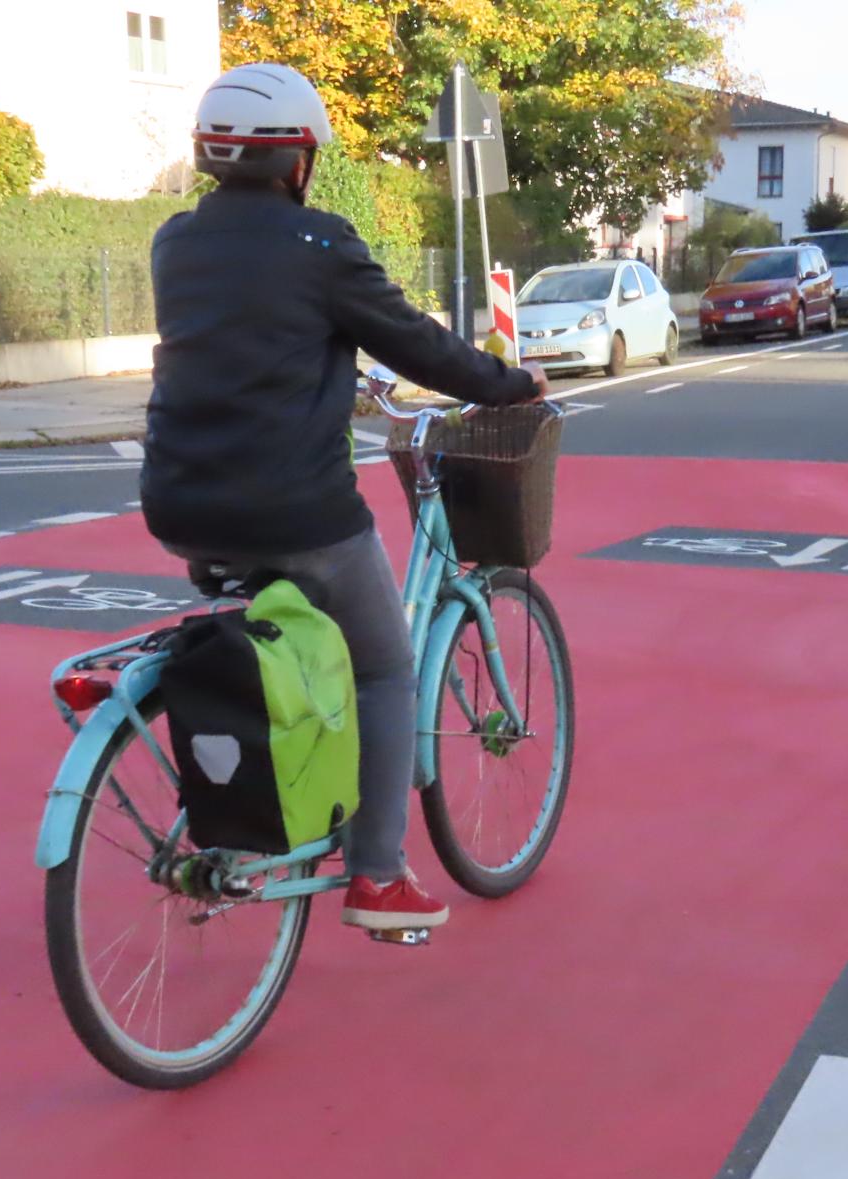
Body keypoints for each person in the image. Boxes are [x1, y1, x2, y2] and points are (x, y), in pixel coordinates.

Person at [139, 63, 548, 934]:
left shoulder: (173, 241)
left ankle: (245, 819)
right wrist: (510, 383)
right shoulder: (321, 246)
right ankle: (378, 873)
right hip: (294, 509)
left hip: (178, 503)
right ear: (297, 162)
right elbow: (417, 346)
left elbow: (245, 334)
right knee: (385, 665)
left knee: (268, 651)